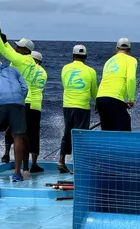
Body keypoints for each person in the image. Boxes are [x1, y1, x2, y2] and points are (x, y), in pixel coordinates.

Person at [0, 19, 48, 173]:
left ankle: (11, 160)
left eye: (18, 46)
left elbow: (2, 51)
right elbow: (10, 52)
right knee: (26, 134)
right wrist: (6, 43)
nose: (16, 47)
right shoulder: (30, 62)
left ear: (25, 50)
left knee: (14, 132)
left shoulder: (21, 60)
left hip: (17, 102)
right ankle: (27, 166)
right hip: (31, 103)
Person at [0, 51, 46, 172]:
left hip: (18, 102)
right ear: (40, 61)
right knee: (30, 135)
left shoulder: (20, 66)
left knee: (10, 129)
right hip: (35, 105)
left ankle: (5, 154)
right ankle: (30, 165)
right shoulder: (43, 72)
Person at [58, 44, 97, 173]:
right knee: (80, 136)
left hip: (67, 106)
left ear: (73, 55)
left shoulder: (65, 68)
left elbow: (65, 84)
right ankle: (76, 166)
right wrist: (98, 103)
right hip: (82, 107)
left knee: (67, 133)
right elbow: (93, 91)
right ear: (85, 56)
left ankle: (61, 161)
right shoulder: (91, 71)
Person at [96, 37, 137, 131]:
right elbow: (131, 79)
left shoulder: (108, 61)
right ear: (129, 50)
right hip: (114, 99)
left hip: (100, 98)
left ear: (116, 49)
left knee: (107, 130)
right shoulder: (131, 60)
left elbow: (103, 79)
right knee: (125, 126)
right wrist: (131, 99)